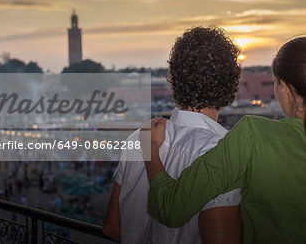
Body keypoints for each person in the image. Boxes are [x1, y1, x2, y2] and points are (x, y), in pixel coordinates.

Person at [143, 37, 306, 243]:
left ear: (286, 89)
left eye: (275, 83)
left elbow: (171, 208)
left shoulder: (253, 135)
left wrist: (150, 149)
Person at [103, 26, 243, 244]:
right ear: (230, 86)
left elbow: (112, 228)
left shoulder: (138, 139)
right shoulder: (223, 153)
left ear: (175, 80)